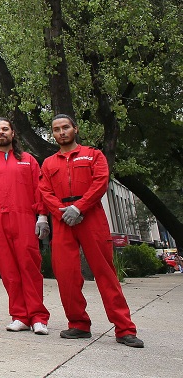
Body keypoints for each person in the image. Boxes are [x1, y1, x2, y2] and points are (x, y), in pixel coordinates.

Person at [39, 114, 144, 348]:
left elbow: (101, 182)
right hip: (62, 219)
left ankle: (125, 329)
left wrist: (79, 207)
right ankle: (78, 324)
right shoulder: (48, 163)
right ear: (53, 134)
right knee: (66, 275)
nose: (61, 132)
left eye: (65, 127)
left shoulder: (94, 155)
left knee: (105, 272)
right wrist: (61, 212)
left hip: (91, 216)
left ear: (75, 129)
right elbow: (44, 191)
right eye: (56, 129)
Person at [0, 118, 50, 335]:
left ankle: (38, 317)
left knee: (29, 268)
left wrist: (42, 216)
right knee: (8, 271)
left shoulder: (28, 160)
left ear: (13, 133)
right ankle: (19, 316)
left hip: (24, 218)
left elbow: (39, 189)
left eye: (5, 129)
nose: (1, 132)